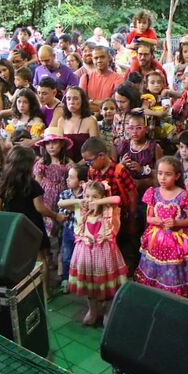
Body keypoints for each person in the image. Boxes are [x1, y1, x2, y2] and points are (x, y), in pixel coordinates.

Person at [0, 146, 63, 294]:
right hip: (32, 226)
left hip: (15, 226)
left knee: (20, 258)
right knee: (41, 258)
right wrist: (56, 215)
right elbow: (40, 208)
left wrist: (7, 221)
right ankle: (46, 292)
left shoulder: (3, 182)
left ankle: (24, 288)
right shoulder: (31, 184)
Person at [135, 156, 188, 301]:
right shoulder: (153, 193)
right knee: (155, 268)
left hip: (177, 242)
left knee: (174, 271)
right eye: (160, 173)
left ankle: (174, 297)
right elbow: (148, 217)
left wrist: (176, 223)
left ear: (177, 175)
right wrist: (153, 220)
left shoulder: (184, 195)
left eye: (168, 174)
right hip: (156, 240)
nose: (162, 178)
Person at [65, 180, 128, 325]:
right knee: (89, 285)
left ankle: (107, 311)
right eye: (87, 196)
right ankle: (93, 310)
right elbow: (60, 203)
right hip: (85, 255)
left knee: (108, 286)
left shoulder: (108, 209)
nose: (90, 200)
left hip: (105, 255)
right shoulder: (81, 209)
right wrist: (83, 200)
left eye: (95, 196)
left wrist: (99, 202)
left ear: (103, 197)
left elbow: (116, 199)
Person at [81, 137, 138, 273]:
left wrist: (132, 217)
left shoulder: (119, 170)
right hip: (102, 220)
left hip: (120, 217)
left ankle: (125, 274)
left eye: (90, 161)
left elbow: (132, 195)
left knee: (124, 245)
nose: (89, 165)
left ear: (101, 155)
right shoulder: (92, 172)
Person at [57, 165, 87, 290]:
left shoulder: (86, 195)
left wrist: (73, 205)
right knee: (66, 255)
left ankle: (81, 281)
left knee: (82, 257)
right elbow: (62, 209)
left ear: (81, 183)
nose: (67, 180)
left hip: (83, 232)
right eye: (68, 177)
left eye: (71, 177)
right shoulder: (65, 193)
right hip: (69, 229)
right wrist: (76, 204)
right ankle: (65, 279)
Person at [56, 86, 99, 162]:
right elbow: (59, 147)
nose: (71, 102)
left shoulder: (91, 120)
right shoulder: (61, 121)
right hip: (67, 162)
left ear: (82, 101)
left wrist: (78, 166)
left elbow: (95, 148)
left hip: (87, 162)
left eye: (75, 98)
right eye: (68, 99)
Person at [80, 46, 124, 112]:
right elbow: (81, 103)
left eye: (102, 57)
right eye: (96, 58)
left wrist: (92, 101)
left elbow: (114, 105)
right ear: (92, 59)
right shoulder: (85, 77)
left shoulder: (118, 78)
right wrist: (104, 106)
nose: (99, 60)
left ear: (109, 58)